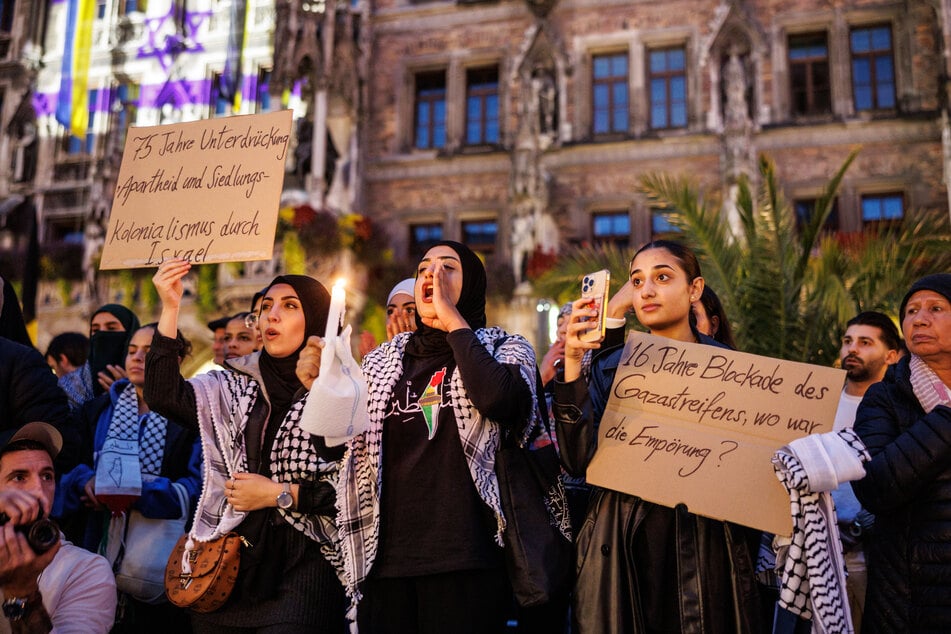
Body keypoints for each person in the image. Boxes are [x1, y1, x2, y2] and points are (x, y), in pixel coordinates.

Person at [329, 241, 555, 633]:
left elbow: (499, 400)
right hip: (386, 561)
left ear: (471, 286)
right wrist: (323, 384)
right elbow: (336, 444)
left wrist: (454, 323)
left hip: (467, 558)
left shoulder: (504, 348)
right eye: (423, 270)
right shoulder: (383, 361)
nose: (432, 277)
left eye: (448, 268)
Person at [553, 240, 763, 633]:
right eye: (636, 280)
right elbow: (578, 460)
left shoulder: (736, 370)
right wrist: (572, 364)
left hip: (708, 547)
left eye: (662, 277)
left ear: (695, 289)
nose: (646, 290)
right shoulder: (608, 367)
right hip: (626, 545)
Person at [146, 259, 346, 633]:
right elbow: (162, 395)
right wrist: (170, 306)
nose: (272, 315)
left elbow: (356, 490)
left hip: (305, 566)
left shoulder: (344, 390)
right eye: (265, 307)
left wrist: (278, 495)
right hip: (228, 566)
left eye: (289, 306)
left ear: (318, 320)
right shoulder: (233, 384)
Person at [59, 324, 201, 632]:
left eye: (149, 352)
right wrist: (86, 482)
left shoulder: (192, 416)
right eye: (132, 350)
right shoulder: (96, 411)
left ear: (173, 360)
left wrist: (137, 493)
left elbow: (198, 488)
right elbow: (66, 468)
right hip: (94, 548)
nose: (136, 358)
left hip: (161, 564)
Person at [852, 273, 951, 633]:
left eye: (936, 308)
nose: (919, 319)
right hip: (909, 600)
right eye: (911, 311)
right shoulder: (885, 397)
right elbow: (875, 486)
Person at [0, 422, 116, 634]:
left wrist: (23, 592)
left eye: (47, 476)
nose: (38, 490)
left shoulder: (85, 569)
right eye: (19, 477)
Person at [58, 304, 140, 411]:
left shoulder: (148, 381)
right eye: (95, 330)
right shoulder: (70, 385)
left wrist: (132, 394)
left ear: (131, 334)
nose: (101, 334)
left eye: (111, 328)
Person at [358, 278, 417, 358]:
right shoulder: (380, 359)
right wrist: (371, 365)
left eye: (409, 310)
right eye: (390, 312)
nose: (397, 318)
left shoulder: (437, 360)